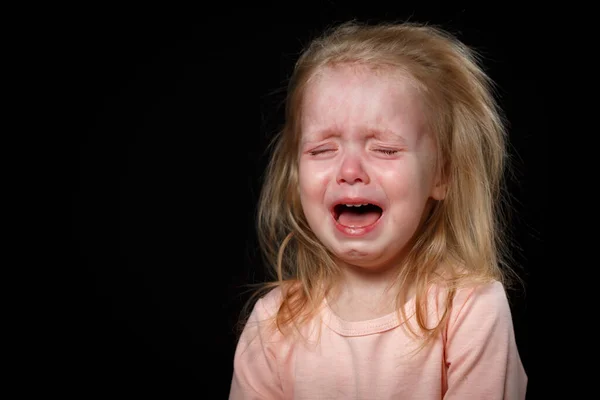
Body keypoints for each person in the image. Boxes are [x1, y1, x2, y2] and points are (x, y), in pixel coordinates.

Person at [230, 20, 528, 399]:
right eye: (322, 150)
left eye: (385, 149)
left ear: (441, 175)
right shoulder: (272, 324)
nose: (350, 172)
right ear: (295, 177)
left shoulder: (471, 310)